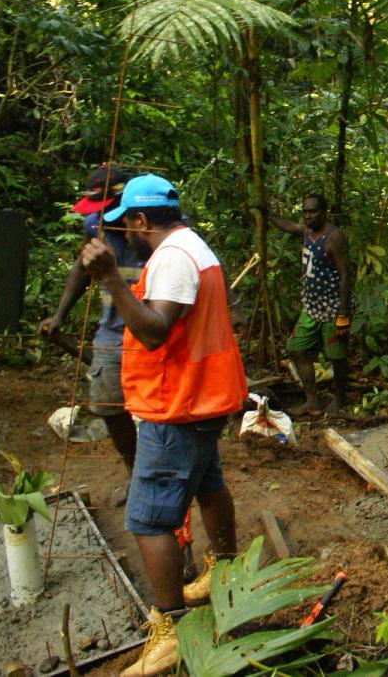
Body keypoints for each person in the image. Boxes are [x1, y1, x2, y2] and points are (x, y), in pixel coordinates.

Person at [80, 174, 246, 677]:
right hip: (200, 396)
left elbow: (154, 332)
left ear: (141, 220)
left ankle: (170, 627)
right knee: (207, 481)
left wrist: (111, 277)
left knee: (148, 518)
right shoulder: (190, 245)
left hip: (179, 403)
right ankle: (226, 568)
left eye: (125, 226)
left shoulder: (173, 258)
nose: (122, 236)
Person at [38, 165, 142, 505]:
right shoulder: (93, 225)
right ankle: (135, 472)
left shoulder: (152, 224)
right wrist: (60, 315)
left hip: (155, 328)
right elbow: (81, 269)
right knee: (110, 406)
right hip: (113, 332)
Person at [266, 194, 354, 416]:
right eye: (305, 211)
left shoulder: (335, 237)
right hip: (311, 307)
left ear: (324, 212)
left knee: (336, 356)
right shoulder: (307, 231)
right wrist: (268, 216)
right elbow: (289, 227)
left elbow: (345, 275)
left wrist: (343, 313)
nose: (308, 216)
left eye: (312, 211)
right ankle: (312, 400)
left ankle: (339, 399)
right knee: (296, 348)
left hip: (333, 307)